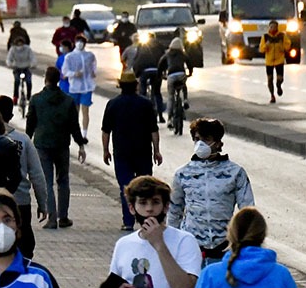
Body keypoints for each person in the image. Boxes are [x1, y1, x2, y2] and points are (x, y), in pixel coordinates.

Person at [167, 118, 255, 265]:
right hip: (191, 250)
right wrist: (172, 245)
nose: (200, 144)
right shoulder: (183, 174)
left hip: (225, 250)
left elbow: (248, 211)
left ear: (218, 142)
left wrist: (245, 246)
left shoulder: (235, 173)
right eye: (196, 139)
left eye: (206, 139)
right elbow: (174, 211)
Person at [27, 66, 87, 229]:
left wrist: (26, 142)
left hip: (42, 145)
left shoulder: (36, 99)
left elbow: (30, 124)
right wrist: (81, 144)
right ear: (59, 79)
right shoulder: (68, 101)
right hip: (62, 145)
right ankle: (64, 217)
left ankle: (52, 218)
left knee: (47, 181)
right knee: (63, 180)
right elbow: (75, 126)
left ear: (45, 78)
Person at [101, 71, 162, 231]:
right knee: (146, 187)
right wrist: (157, 150)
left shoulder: (113, 104)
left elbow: (106, 131)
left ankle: (128, 222)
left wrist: (105, 150)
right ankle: (146, 220)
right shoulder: (146, 104)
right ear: (136, 85)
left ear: (120, 85)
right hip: (143, 152)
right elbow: (153, 130)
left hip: (122, 153)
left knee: (125, 188)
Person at [0, 96, 50, 257]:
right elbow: (37, 175)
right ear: (11, 116)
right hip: (20, 202)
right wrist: (42, 203)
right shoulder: (23, 140)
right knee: (24, 246)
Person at [61, 36, 98, 141]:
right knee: (75, 111)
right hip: (74, 87)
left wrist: (93, 72)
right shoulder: (70, 56)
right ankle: (75, 132)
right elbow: (65, 71)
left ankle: (84, 134)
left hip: (87, 87)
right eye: (78, 41)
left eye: (82, 42)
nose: (80, 43)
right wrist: (73, 74)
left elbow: (94, 66)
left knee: (85, 110)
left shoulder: (89, 55)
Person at [133, 38, 167, 121]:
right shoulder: (160, 46)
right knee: (157, 92)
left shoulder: (142, 47)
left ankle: (142, 112)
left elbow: (137, 61)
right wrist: (163, 72)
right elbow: (164, 60)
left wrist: (136, 74)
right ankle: (161, 115)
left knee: (142, 92)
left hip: (145, 71)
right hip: (157, 71)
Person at [259, 20, 290, 103]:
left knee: (280, 78)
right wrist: (267, 45)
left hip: (279, 60)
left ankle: (279, 85)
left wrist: (281, 46)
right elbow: (261, 49)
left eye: (274, 27)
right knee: (270, 79)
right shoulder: (265, 37)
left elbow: (287, 46)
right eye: (271, 27)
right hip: (269, 61)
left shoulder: (282, 36)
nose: (273, 28)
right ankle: (272, 95)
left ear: (277, 27)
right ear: (269, 27)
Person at [158, 37, 193, 111]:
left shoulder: (167, 54)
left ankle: (170, 119)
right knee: (183, 85)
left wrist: (160, 75)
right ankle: (185, 99)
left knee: (171, 96)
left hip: (171, 75)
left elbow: (160, 63)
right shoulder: (183, 54)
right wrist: (190, 73)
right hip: (181, 74)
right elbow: (189, 63)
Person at [5, 36, 35, 103]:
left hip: (26, 68)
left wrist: (33, 64)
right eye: (18, 44)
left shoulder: (28, 49)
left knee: (29, 81)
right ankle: (15, 97)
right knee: (17, 81)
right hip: (17, 68)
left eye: (21, 44)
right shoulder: (13, 49)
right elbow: (9, 59)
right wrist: (9, 64)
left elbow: (32, 57)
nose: (19, 46)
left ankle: (29, 97)